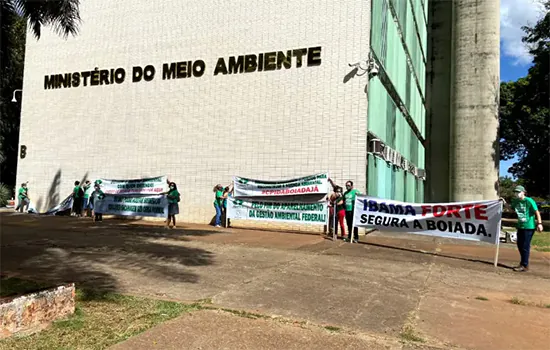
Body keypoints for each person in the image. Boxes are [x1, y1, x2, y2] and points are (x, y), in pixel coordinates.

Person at [510, 185, 544, 272]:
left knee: (525, 245)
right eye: (515, 192)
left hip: (529, 226)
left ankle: (524, 265)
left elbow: (537, 212)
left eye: (518, 192)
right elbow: (511, 208)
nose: (517, 194)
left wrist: (539, 223)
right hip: (520, 226)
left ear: (523, 192)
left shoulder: (529, 201)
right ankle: (523, 262)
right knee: (519, 245)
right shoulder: (516, 201)